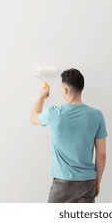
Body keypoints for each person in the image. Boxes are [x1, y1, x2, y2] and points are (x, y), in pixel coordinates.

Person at [30, 68, 107, 203]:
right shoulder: (97, 115)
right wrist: (97, 183)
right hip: (87, 183)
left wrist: (41, 96)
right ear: (81, 88)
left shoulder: (54, 114)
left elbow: (33, 117)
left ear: (65, 90)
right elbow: (101, 156)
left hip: (62, 185)